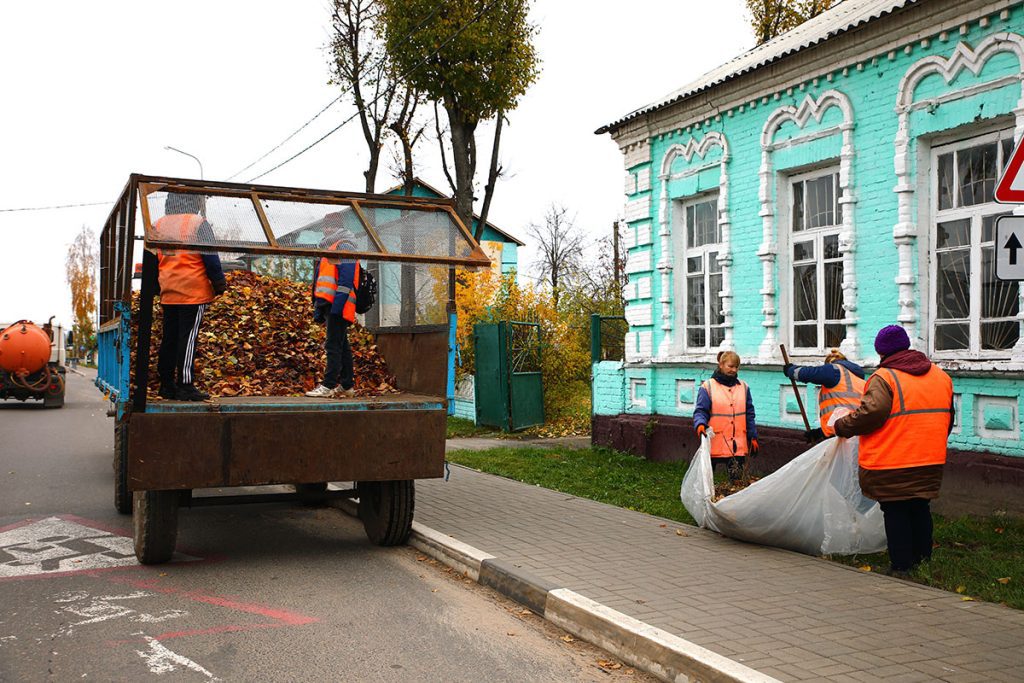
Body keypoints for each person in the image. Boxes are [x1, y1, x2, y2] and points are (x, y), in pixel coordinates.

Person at [834, 325, 954, 577]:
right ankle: (923, 560)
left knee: (896, 509)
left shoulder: (885, 377)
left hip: (892, 460)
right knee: (920, 507)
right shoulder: (940, 376)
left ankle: (901, 566)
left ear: (881, 352)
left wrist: (842, 426)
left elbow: (871, 414)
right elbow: (947, 417)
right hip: (930, 458)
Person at [153, 193, 226, 401]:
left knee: (170, 338)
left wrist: (155, 288)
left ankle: (166, 384)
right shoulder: (197, 223)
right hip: (193, 291)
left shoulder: (158, 224)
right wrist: (220, 283)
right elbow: (210, 256)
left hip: (168, 290)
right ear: (194, 202)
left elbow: (151, 260)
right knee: (188, 338)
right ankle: (185, 385)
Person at [306, 228, 360, 398]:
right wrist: (320, 308)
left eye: (330, 226)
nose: (326, 229)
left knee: (333, 346)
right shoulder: (330, 248)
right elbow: (322, 281)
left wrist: (337, 307)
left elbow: (346, 280)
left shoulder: (345, 246)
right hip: (331, 305)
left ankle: (328, 385)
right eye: (325, 226)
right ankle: (346, 385)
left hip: (339, 305)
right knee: (342, 347)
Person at [693, 350, 759, 482]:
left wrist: (753, 437)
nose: (734, 370)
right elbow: (701, 411)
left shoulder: (744, 387)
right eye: (730, 366)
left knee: (737, 481)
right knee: (707, 480)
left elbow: (749, 415)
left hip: (737, 444)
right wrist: (700, 424)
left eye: (736, 367)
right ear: (721, 365)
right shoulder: (708, 387)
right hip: (714, 440)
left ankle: (734, 502)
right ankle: (706, 501)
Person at [783, 348, 867, 443]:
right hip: (858, 436)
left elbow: (810, 373)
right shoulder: (861, 381)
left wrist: (791, 370)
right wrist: (820, 433)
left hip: (842, 438)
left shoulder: (834, 370)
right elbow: (847, 407)